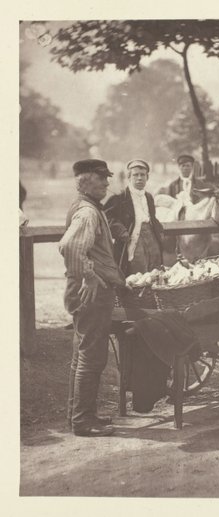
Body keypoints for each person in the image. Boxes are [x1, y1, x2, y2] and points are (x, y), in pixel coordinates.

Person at [59, 159, 126, 437]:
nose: (107, 183)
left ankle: (79, 416)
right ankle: (83, 422)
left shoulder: (85, 206)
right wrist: (89, 276)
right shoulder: (87, 212)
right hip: (91, 294)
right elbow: (71, 247)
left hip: (86, 293)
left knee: (82, 355)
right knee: (91, 356)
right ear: (85, 180)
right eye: (102, 178)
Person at [104, 159, 163, 275]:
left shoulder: (149, 197)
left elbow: (152, 218)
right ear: (129, 177)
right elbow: (107, 217)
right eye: (136, 175)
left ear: (147, 178)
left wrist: (159, 229)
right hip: (132, 240)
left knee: (154, 270)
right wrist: (121, 231)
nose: (139, 178)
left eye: (143, 175)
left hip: (151, 238)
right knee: (137, 273)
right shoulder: (120, 197)